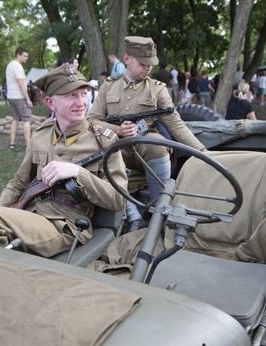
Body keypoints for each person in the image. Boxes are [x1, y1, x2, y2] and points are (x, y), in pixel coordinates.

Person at [0, 65, 127, 258]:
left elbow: (118, 198)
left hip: (65, 224)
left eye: (83, 94)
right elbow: (18, 182)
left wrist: (78, 173)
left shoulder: (104, 141)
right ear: (50, 103)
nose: (81, 102)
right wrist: (1, 211)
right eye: (71, 96)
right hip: (31, 213)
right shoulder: (40, 135)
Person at [86, 36, 207, 232]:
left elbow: (175, 123)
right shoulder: (108, 86)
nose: (148, 68)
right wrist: (117, 130)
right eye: (143, 64)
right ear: (127, 58)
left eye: (150, 64)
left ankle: (158, 211)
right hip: (118, 149)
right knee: (101, 153)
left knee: (157, 143)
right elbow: (91, 121)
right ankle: (133, 216)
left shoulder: (157, 89)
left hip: (147, 148)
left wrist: (201, 150)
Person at [6, 47, 33, 149]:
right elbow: (21, 84)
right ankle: (28, 144)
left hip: (11, 96)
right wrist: (28, 99)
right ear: (18, 55)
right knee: (26, 120)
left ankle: (12, 143)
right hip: (19, 97)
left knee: (15, 119)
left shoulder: (10, 65)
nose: (26, 58)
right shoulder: (17, 66)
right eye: (25, 56)